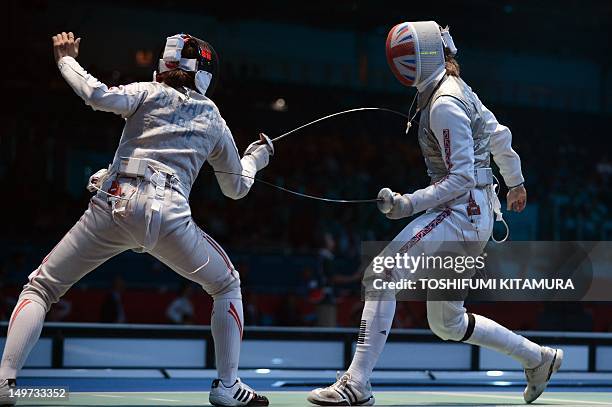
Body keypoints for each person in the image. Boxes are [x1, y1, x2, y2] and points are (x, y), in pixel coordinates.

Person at [0, 32, 272, 407]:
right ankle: (227, 386)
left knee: (42, 288)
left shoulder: (148, 92)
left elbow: (96, 95)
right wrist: (257, 157)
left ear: (165, 64)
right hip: (170, 219)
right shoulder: (212, 118)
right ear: (205, 73)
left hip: (114, 205)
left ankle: (5, 382)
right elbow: (235, 188)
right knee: (226, 286)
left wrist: (66, 60)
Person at [308, 21, 562, 406]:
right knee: (448, 322)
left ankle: (356, 383)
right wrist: (516, 181)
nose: (402, 63)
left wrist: (407, 203)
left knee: (383, 272)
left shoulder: (444, 102)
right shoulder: (458, 91)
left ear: (425, 57)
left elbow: (459, 179)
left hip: (460, 212)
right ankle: (538, 358)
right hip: (475, 215)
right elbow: (499, 135)